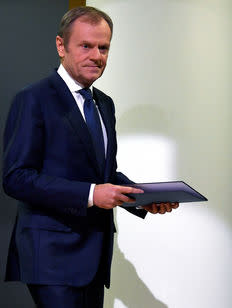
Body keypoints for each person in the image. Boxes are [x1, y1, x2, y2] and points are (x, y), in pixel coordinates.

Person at [2, 6, 178, 307]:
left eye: (104, 47)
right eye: (86, 46)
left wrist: (143, 198)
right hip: (51, 258)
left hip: (94, 257)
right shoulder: (33, 99)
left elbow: (104, 176)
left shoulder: (104, 104)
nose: (97, 55)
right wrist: (91, 194)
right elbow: (15, 178)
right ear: (61, 46)